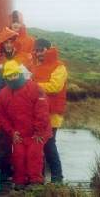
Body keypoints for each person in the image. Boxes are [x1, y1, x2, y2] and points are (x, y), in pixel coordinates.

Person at [0, 60, 52, 190]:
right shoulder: (2, 94)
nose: (12, 78)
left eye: (14, 74)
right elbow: (0, 116)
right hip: (18, 133)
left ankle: (35, 181)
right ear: (5, 77)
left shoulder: (35, 88)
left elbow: (42, 111)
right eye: (9, 76)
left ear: (19, 73)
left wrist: (39, 131)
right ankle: (19, 180)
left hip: (37, 133)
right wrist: (12, 132)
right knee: (18, 156)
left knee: (34, 155)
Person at [31, 38, 68, 183]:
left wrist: (33, 85)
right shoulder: (34, 65)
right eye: (37, 50)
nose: (39, 53)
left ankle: (57, 177)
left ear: (49, 49)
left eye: (42, 50)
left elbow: (55, 87)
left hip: (52, 113)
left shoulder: (60, 67)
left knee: (49, 145)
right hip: (38, 112)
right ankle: (40, 176)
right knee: (39, 145)